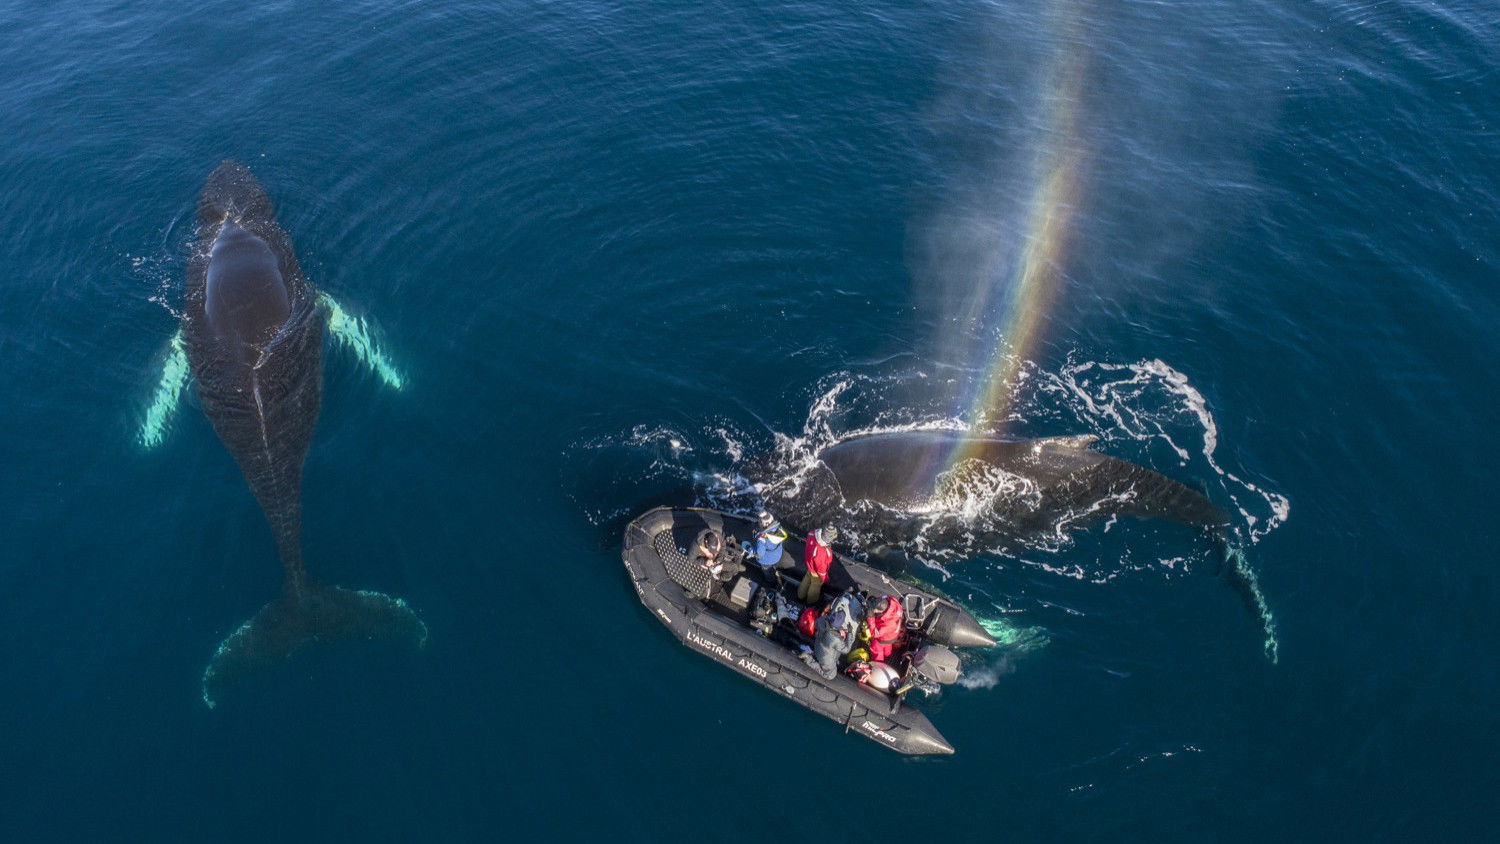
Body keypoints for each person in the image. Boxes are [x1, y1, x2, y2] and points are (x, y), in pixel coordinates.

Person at [799, 592, 862, 680]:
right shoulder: (836, 639)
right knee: (830, 675)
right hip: (825, 659)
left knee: (832, 648)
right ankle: (808, 659)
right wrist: (850, 633)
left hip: (818, 647)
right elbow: (846, 650)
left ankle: (811, 654)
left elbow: (817, 624)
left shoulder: (822, 620)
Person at [798, 525, 837, 606]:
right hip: (816, 572)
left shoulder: (812, 534)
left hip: (810, 565)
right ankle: (810, 603)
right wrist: (824, 578)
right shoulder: (821, 551)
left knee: (807, 579)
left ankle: (800, 596)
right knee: (815, 587)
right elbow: (821, 569)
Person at [747, 510, 788, 583]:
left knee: (767, 571)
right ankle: (773, 569)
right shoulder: (778, 527)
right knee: (772, 566)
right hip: (777, 555)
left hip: (767, 560)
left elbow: (759, 554)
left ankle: (770, 580)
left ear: (764, 524)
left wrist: (750, 550)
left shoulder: (762, 539)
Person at [863, 594, 905, 663]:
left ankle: (878, 663)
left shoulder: (887, 624)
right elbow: (885, 597)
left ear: (881, 611)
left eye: (875, 610)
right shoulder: (893, 601)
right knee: (887, 650)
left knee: (876, 650)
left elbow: (874, 633)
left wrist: (870, 618)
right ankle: (887, 655)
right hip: (892, 636)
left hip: (882, 640)